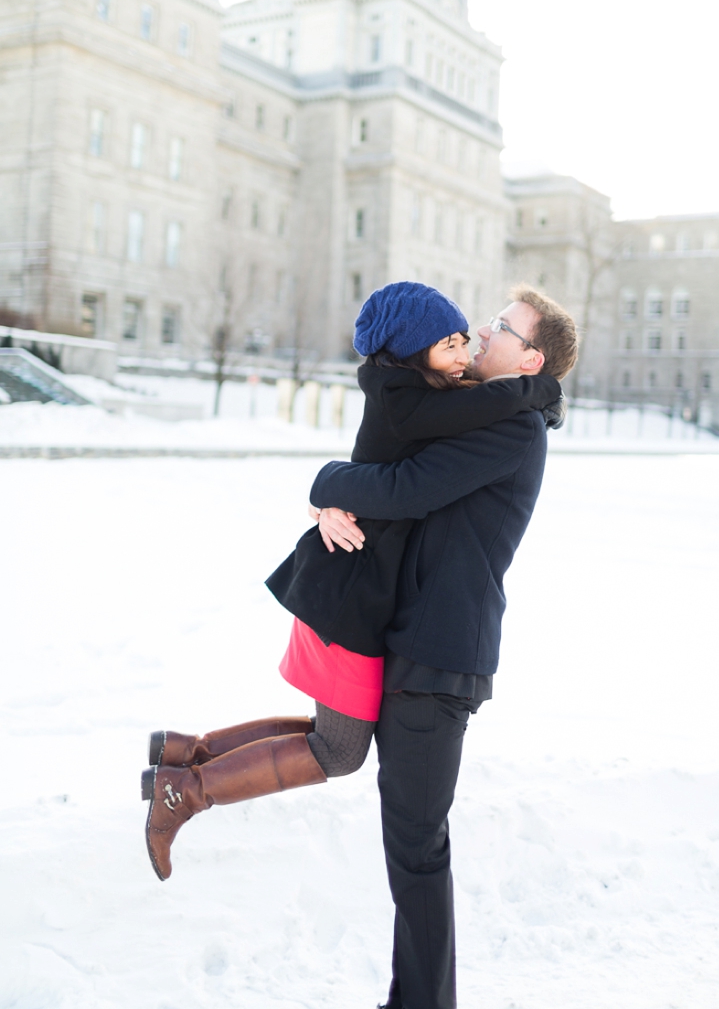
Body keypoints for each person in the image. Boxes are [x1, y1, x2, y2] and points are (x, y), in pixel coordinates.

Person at [141, 283, 566, 883]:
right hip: (351, 585)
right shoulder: (414, 396)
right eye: (455, 340)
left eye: (489, 330)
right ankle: (186, 791)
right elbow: (403, 482)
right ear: (418, 349)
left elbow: (423, 448)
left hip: (360, 583)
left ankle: (184, 756)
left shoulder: (436, 392)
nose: (472, 342)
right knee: (337, 749)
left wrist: (333, 489)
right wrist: (538, 392)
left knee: (333, 737)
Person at [311, 284, 578, 1009]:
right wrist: (336, 491)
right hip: (415, 641)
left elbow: (407, 486)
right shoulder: (483, 414)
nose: (482, 334)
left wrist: (329, 482)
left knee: (418, 847)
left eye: (500, 328)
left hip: (439, 655)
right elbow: (395, 442)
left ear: (531, 357)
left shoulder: (514, 427)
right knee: (405, 835)